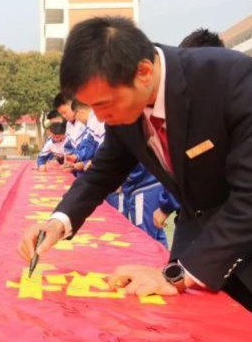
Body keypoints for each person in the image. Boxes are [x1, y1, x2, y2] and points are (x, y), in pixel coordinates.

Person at [18, 16, 252, 311]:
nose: (101, 119)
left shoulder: (229, 79)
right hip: (194, 247)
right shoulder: (125, 107)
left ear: (143, 72)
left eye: (104, 105)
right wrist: (58, 222)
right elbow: (102, 173)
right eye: (93, 107)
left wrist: (180, 275)